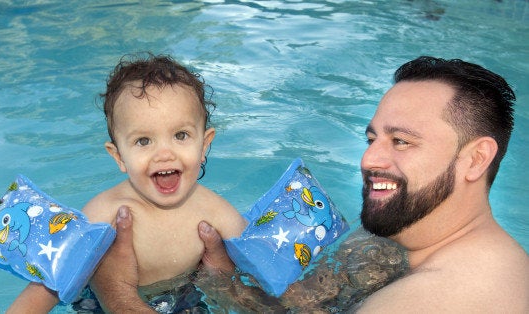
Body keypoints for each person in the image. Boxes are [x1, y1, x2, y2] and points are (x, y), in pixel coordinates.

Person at [96, 56, 529, 313]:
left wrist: (118, 295)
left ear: (475, 159)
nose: (370, 159)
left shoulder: (435, 300)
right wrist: (226, 283)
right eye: (372, 138)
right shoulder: (413, 230)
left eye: (401, 141)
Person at [7, 53, 247, 313]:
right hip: (100, 304)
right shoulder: (105, 213)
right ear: (119, 156)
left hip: (185, 299)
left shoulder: (216, 212)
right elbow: (48, 284)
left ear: (204, 145)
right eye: (143, 141)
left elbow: (263, 263)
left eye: (181, 135)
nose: (164, 153)